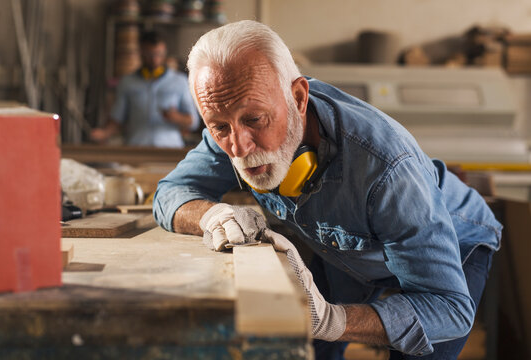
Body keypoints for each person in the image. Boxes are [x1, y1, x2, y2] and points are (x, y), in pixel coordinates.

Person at [153, 20, 502, 360]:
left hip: (452, 243)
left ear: (298, 98)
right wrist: (213, 215)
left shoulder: (387, 170)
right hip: (348, 244)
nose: (239, 148)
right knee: (303, 346)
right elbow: (171, 192)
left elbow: (449, 308)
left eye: (255, 120)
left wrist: (333, 320)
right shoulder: (233, 120)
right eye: (219, 127)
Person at [91, 31, 199, 148]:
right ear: (141, 52)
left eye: (159, 54)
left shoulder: (180, 81)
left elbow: (193, 122)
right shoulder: (127, 82)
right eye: (150, 54)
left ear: (164, 52)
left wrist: (176, 117)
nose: (155, 59)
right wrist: (103, 134)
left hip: (170, 149)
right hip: (137, 149)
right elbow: (117, 119)